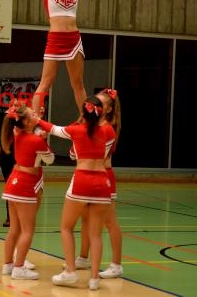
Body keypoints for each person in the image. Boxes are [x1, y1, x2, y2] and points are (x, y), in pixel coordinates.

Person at [36, 96, 115, 291]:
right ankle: (94, 279)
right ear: (100, 112)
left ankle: (70, 272)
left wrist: (36, 119)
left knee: (66, 227)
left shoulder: (76, 130)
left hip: (82, 180)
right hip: (102, 183)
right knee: (96, 234)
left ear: (83, 113)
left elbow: (52, 129)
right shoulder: (108, 131)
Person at [32, 0, 99, 115]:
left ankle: (86, 119)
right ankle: (35, 120)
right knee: (45, 82)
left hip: (74, 41)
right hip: (55, 40)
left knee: (77, 83)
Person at [0, 104, 54, 280]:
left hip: (13, 182)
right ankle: (19, 267)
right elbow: (50, 159)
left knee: (14, 229)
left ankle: (8, 265)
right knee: (27, 231)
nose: (36, 115)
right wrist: (43, 139)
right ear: (27, 121)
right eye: (33, 114)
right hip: (25, 185)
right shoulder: (35, 140)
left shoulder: (18, 134)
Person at [74, 88, 124, 279]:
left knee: (109, 222)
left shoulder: (107, 127)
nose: (95, 106)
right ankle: (83, 257)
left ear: (109, 109)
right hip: (89, 175)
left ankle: (117, 264)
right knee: (86, 219)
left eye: (101, 104)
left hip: (103, 176)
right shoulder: (92, 123)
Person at [0, 113, 16, 227]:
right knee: (9, 188)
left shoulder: (23, 126)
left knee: (17, 189)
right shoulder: (5, 127)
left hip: (18, 159)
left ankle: (18, 216)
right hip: (6, 159)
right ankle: (10, 217)